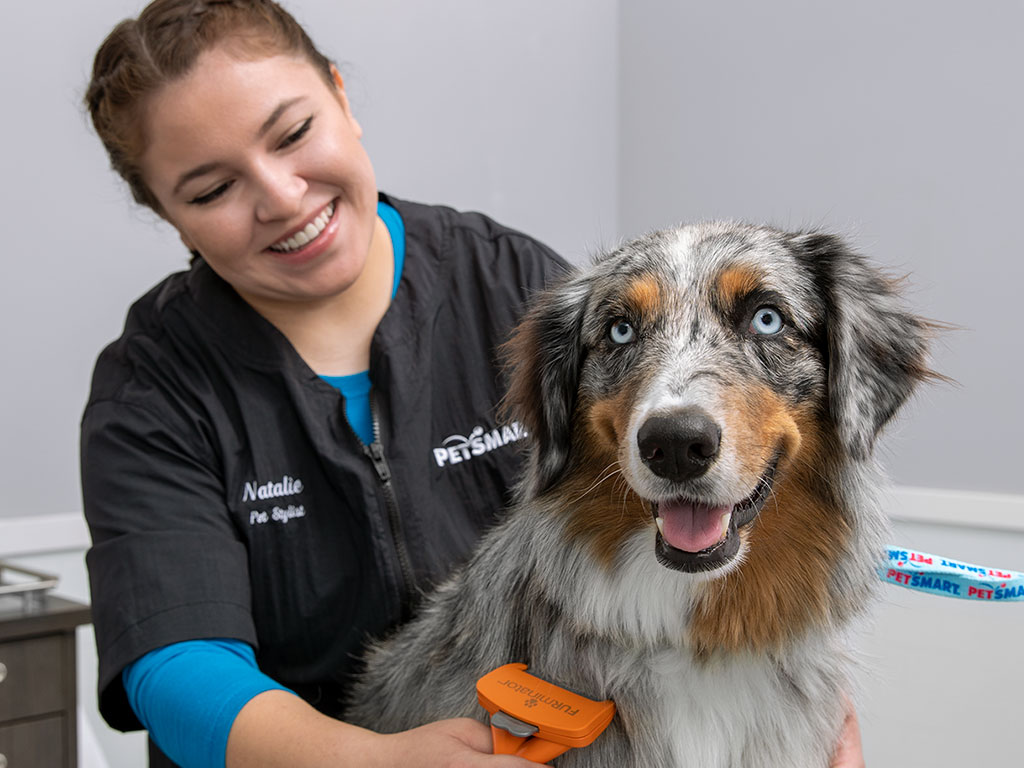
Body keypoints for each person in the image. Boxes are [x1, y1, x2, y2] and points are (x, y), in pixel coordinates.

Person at [80, 2, 867, 767]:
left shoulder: (511, 283)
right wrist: (369, 764)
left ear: (341, 98)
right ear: (166, 214)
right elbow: (174, 667)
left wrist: (795, 716)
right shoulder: (152, 388)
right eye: (211, 190)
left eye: (293, 133)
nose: (283, 197)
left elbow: (698, 532)